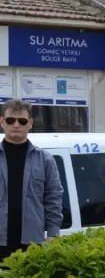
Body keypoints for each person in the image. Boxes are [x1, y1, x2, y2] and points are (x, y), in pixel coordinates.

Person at [0, 100, 63, 261]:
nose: (16, 125)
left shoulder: (45, 160)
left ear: (30, 124)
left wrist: (53, 233)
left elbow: (53, 198)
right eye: (10, 120)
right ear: (2, 122)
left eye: (22, 121)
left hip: (31, 243)